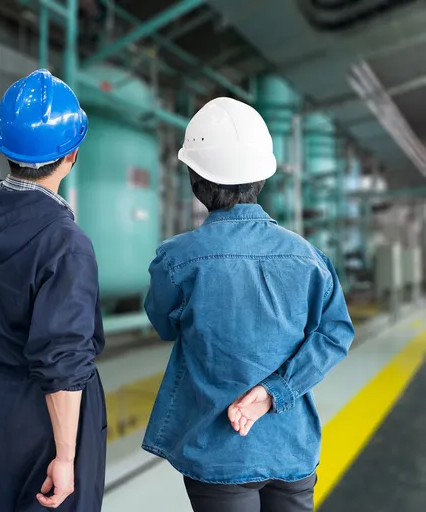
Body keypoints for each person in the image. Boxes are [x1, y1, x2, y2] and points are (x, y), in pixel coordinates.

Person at [142, 98, 354, 512]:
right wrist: (276, 391)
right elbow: (336, 333)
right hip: (291, 444)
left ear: (197, 180)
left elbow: (164, 324)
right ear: (261, 176)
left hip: (217, 448)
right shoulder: (308, 257)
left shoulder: (177, 259)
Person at [0, 69, 107, 511]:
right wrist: (66, 457)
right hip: (44, 412)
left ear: (4, 147)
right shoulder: (66, 244)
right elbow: (62, 359)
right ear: (71, 155)